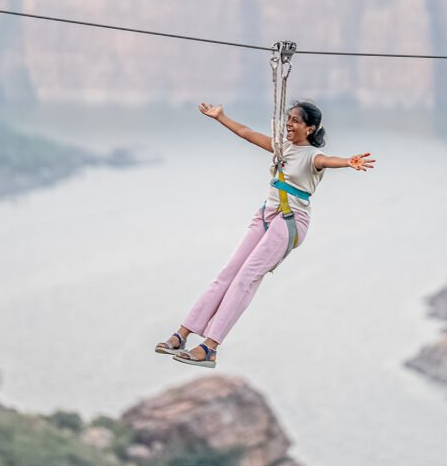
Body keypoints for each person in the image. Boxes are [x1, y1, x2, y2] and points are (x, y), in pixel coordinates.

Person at [154, 100, 375, 368]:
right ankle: (183, 334)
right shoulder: (282, 147)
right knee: (227, 275)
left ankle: (210, 347)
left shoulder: (312, 156)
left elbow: (327, 160)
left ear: (310, 128)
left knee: (245, 279)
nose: (289, 124)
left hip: (290, 221)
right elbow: (247, 133)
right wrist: (220, 117)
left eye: (295, 120)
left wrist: (348, 162)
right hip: (265, 215)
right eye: (288, 118)